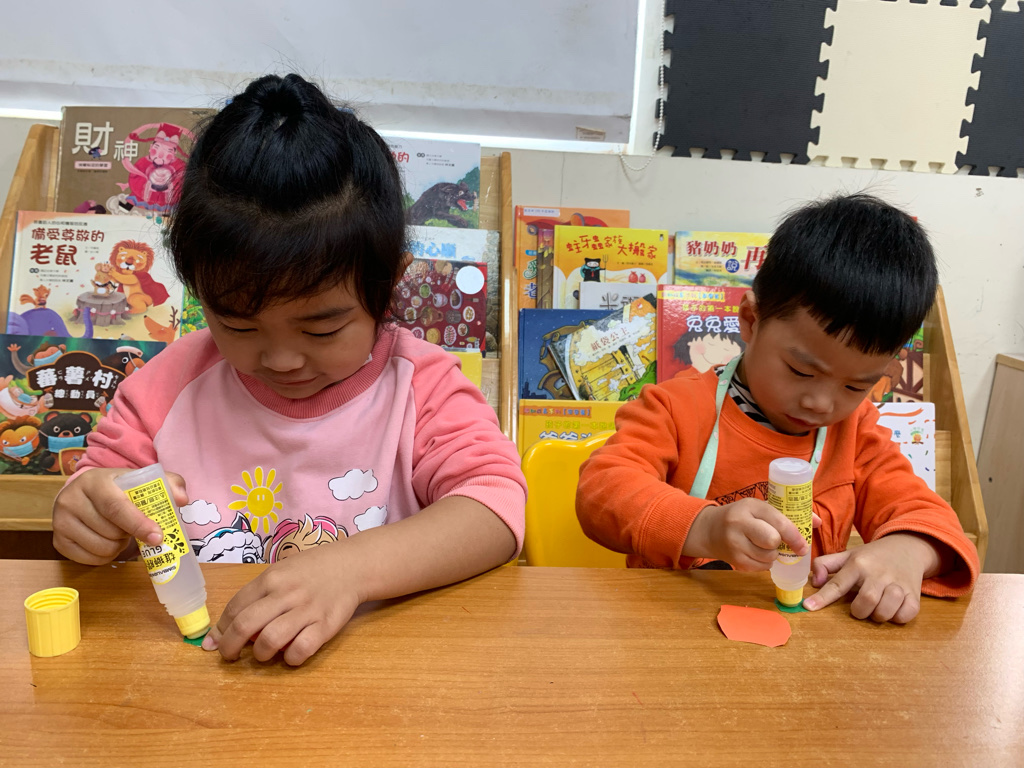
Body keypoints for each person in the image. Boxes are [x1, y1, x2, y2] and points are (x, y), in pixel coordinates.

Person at [51, 74, 526, 665]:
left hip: (383, 677)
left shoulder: (419, 385)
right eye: (238, 326)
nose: (281, 360)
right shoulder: (164, 387)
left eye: (321, 329)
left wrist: (351, 570)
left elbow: (495, 510)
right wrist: (85, 517)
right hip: (203, 674)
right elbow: (99, 491)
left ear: (389, 286)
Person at [576, 193, 978, 624]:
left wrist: (909, 550)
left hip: (801, 637)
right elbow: (603, 489)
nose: (820, 403)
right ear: (751, 320)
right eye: (801, 371)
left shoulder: (856, 432)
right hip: (671, 630)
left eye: (855, 385)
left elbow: (930, 518)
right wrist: (703, 528)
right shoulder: (675, 407)